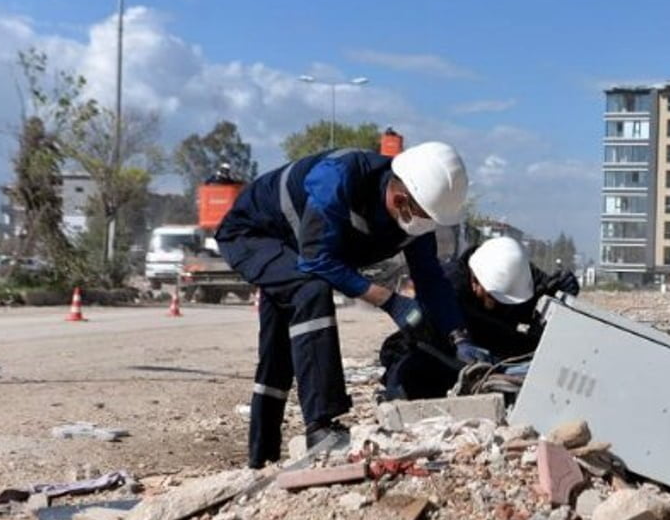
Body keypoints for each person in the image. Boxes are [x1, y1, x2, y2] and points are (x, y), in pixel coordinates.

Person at [215, 141, 491, 468]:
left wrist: (459, 337)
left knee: (278, 349)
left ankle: (262, 460)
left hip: (295, 250)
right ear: (399, 198)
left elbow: (430, 279)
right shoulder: (337, 179)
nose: (426, 226)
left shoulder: (414, 217)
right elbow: (318, 259)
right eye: (424, 217)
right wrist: (389, 301)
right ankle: (321, 426)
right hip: (254, 234)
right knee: (311, 290)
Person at [379, 236, 579, 400]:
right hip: (452, 349)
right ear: (475, 282)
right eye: (494, 298)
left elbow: (544, 286)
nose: (499, 304)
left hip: (495, 344)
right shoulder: (450, 288)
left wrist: (564, 286)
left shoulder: (512, 272)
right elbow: (421, 338)